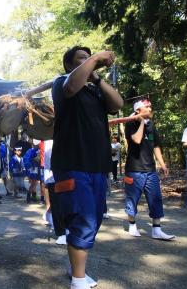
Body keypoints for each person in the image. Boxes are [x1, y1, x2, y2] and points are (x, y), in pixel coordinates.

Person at [51, 46, 123, 289]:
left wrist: (98, 77)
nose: (89, 62)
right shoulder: (62, 83)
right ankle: (78, 280)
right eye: (81, 59)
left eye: (89, 58)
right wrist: (94, 59)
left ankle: (76, 272)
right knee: (82, 218)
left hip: (97, 165)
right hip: (71, 163)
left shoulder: (95, 91)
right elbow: (72, 86)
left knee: (93, 218)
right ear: (70, 66)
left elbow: (117, 104)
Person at [124, 99, 175, 241]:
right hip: (134, 169)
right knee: (132, 198)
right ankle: (132, 225)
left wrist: (162, 164)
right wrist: (141, 122)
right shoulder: (131, 122)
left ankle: (157, 229)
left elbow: (156, 145)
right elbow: (137, 140)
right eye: (147, 107)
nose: (150, 109)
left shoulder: (151, 125)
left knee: (155, 198)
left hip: (150, 169)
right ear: (138, 110)